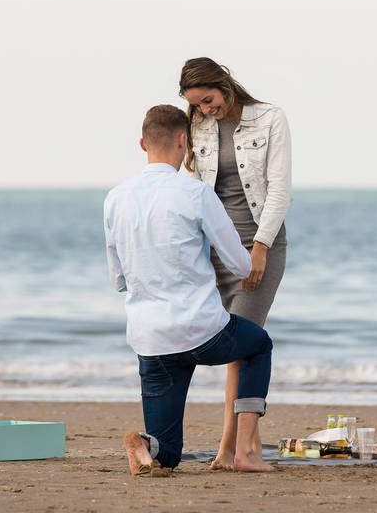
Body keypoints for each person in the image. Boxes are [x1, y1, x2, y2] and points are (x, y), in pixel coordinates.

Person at [104, 104, 275, 475]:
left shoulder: (115, 198)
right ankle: (245, 451)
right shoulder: (195, 192)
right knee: (259, 345)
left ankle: (146, 446)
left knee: (170, 456)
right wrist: (253, 258)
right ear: (185, 141)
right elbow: (239, 263)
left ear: (141, 144)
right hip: (203, 332)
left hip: (150, 340)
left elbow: (117, 279)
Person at [178, 57, 292, 470]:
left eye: (208, 100)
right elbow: (192, 190)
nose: (206, 110)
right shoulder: (196, 125)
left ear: (224, 84)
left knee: (242, 348)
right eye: (198, 105)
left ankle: (229, 449)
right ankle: (249, 449)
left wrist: (259, 248)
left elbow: (280, 189)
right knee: (238, 347)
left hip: (258, 245)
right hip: (213, 250)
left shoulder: (270, 118)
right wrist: (198, 251)